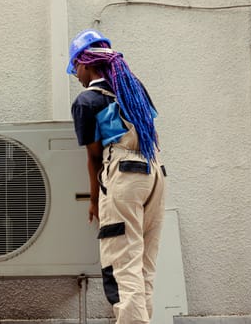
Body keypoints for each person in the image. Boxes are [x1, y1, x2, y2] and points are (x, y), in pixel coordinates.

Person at [66, 28, 166, 324]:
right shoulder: (133, 88)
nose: (77, 77)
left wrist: (95, 200)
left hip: (124, 179)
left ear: (85, 63)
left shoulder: (87, 101)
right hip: (155, 175)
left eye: (76, 70)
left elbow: (94, 157)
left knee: (122, 266)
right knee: (144, 266)